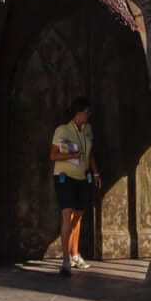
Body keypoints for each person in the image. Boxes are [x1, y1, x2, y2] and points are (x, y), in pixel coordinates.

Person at [50, 96, 98, 277]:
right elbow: (53, 155)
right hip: (64, 177)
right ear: (79, 113)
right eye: (87, 112)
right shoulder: (62, 130)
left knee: (78, 216)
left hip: (81, 177)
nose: (89, 115)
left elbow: (90, 153)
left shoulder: (88, 129)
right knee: (67, 214)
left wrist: (95, 172)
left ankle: (75, 254)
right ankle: (65, 261)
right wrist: (71, 155)